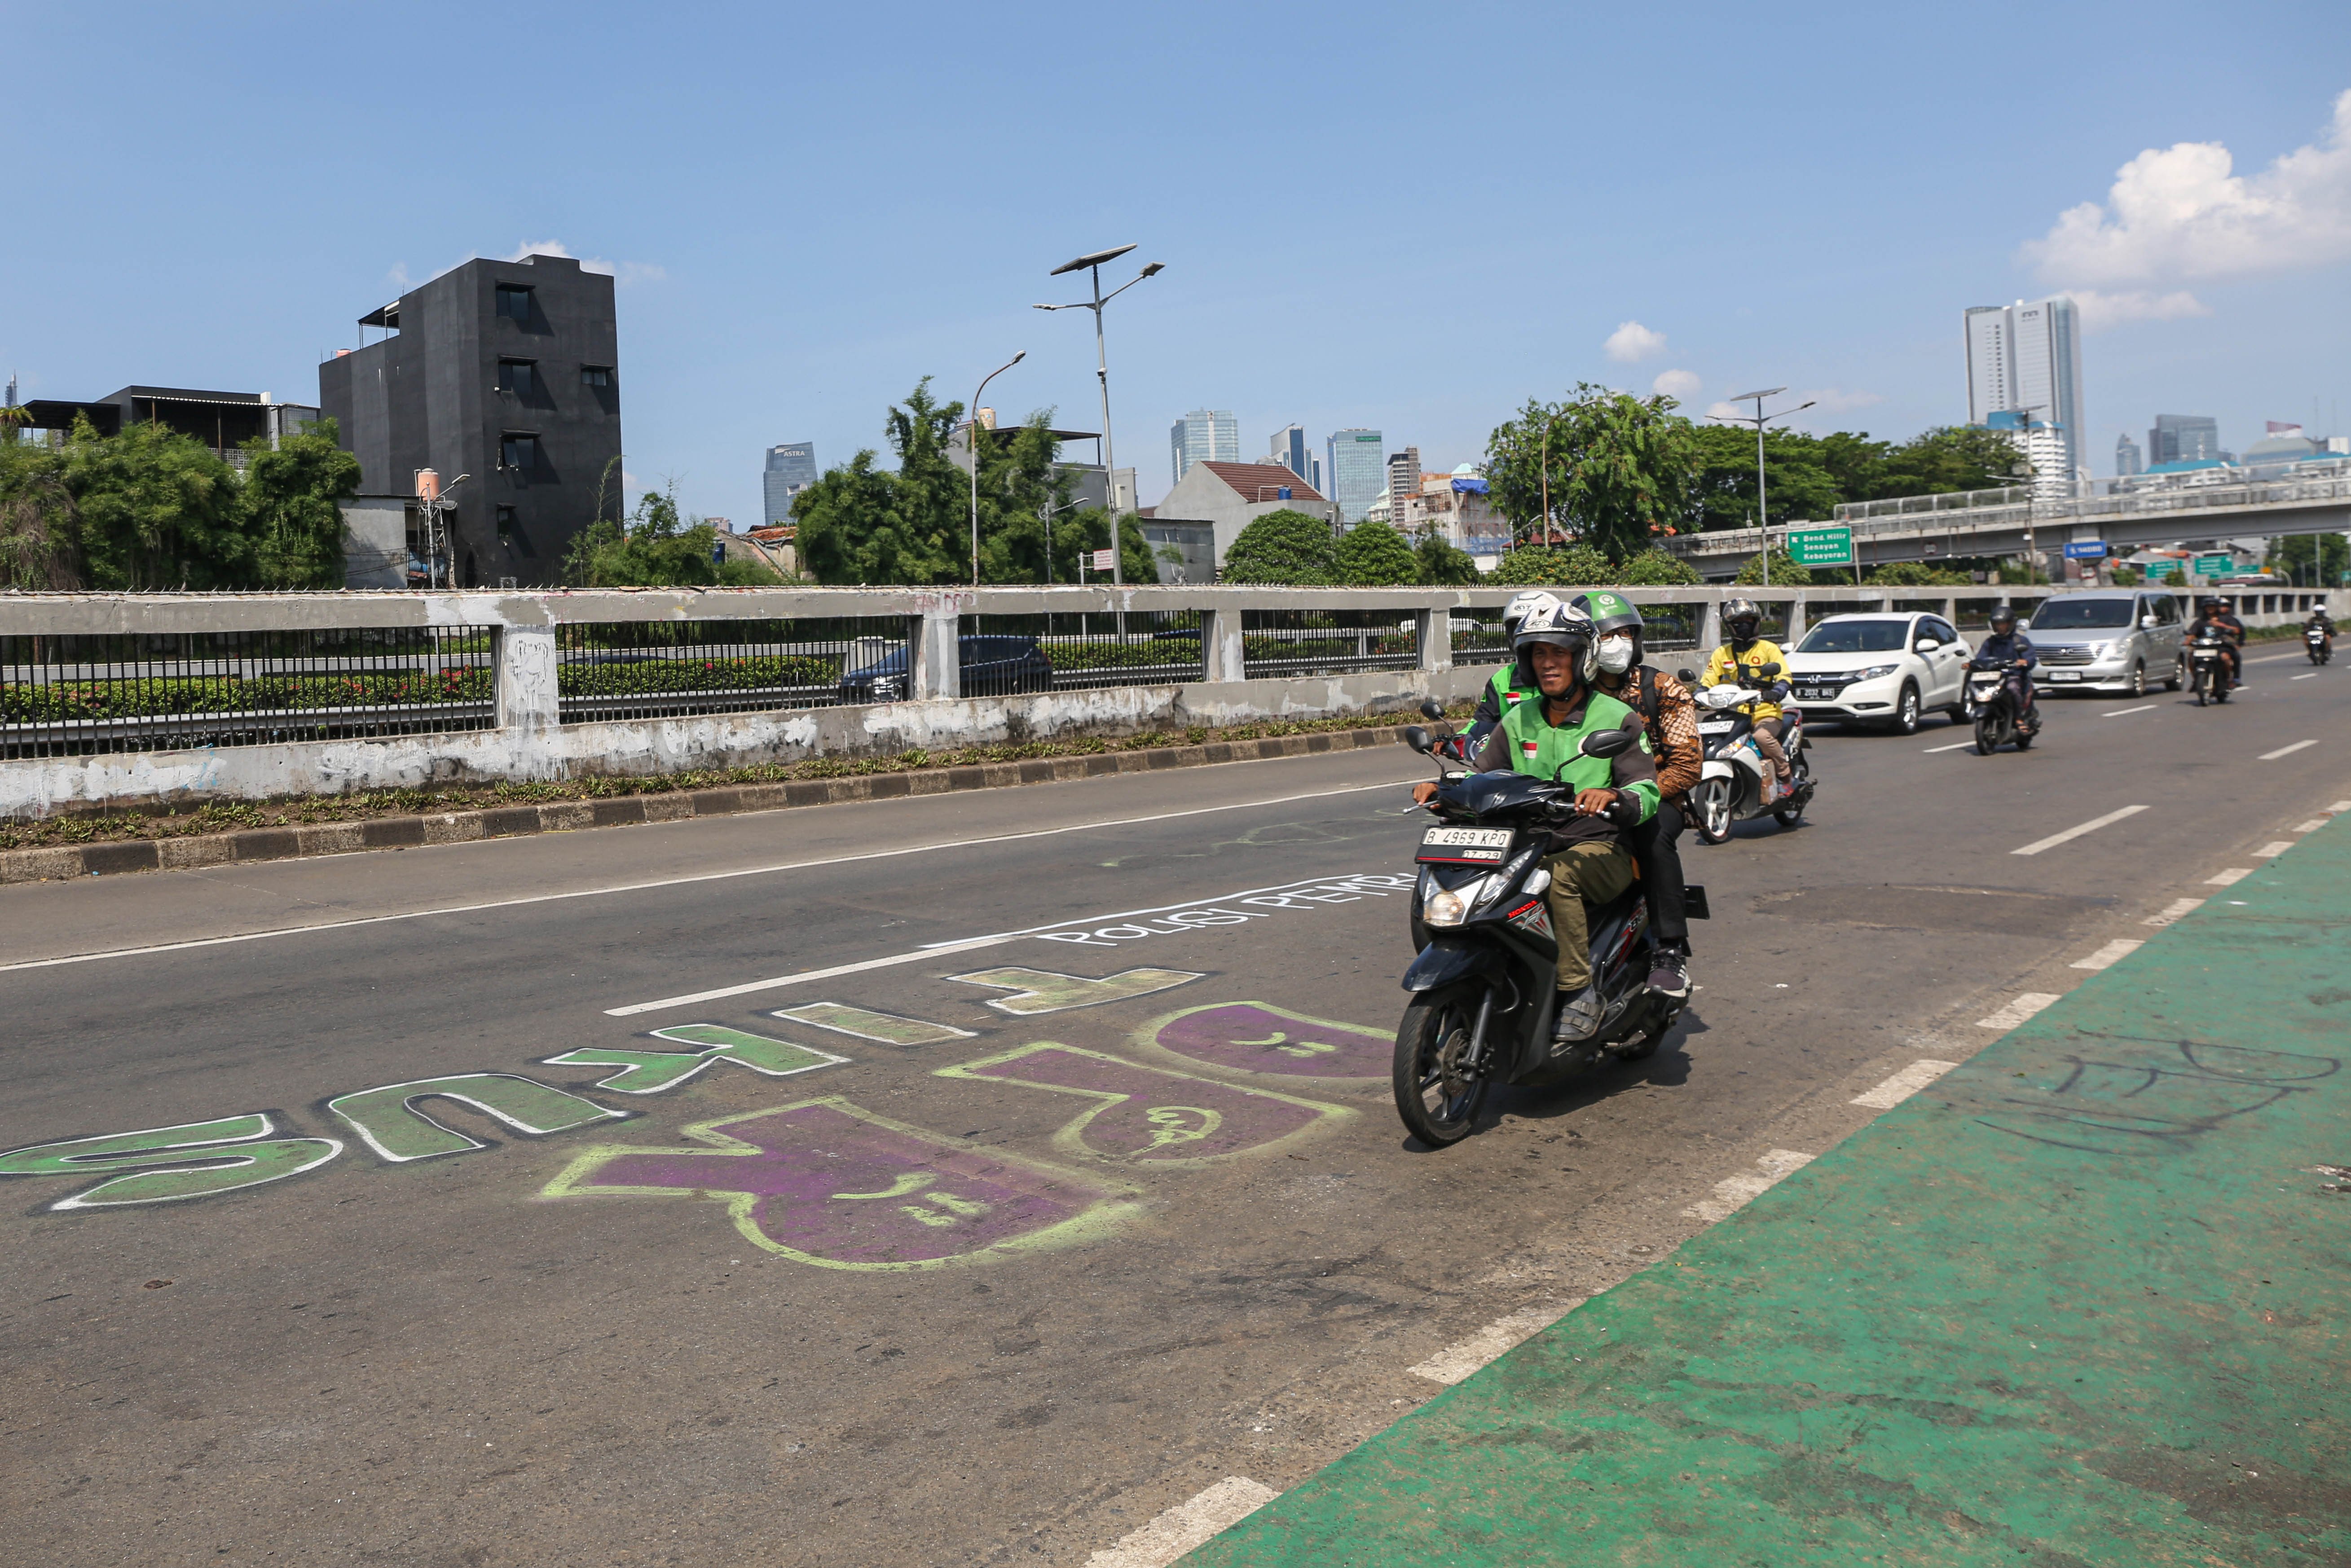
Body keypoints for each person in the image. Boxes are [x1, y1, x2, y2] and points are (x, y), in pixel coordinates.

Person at [1414, 600, 1660, 1042]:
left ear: (1582, 658)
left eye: (1558, 653)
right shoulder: (1518, 718)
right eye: (1538, 654)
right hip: (1526, 841)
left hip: (1597, 846)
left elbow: (1646, 790)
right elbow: (1481, 774)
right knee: (1455, 873)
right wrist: (1443, 789)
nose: (1547, 664)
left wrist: (1613, 797)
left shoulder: (1614, 718)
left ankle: (1578, 990)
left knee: (1554, 879)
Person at [1574, 590, 1700, 1000]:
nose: (1618, 643)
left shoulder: (1663, 688)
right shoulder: (1572, 691)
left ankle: (1669, 949)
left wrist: (1627, 797)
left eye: (1626, 633)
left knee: (1654, 835)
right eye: (1607, 635)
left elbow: (1687, 766)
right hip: (1580, 799)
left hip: (1655, 797)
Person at [1700, 597, 1790, 794]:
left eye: (1748, 621)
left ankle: (1785, 776)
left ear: (1756, 623)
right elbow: (1707, 682)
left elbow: (1784, 677)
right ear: (1730, 626)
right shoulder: (1721, 653)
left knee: (1762, 737)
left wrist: (1776, 692)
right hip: (1731, 715)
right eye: (1738, 622)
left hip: (1765, 713)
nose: (1744, 626)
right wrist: (1696, 695)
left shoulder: (1769, 649)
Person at [1460, 591, 1559, 754]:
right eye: (1517, 630)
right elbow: (1482, 721)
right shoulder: (1502, 680)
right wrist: (1459, 739)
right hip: (1514, 757)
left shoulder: (1566, 676)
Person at [1975, 605, 2040, 729]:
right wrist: (1972, 664)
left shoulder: (2020, 641)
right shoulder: (1990, 642)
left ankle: (2020, 718)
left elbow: (2031, 657)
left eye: (2003, 624)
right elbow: (1981, 657)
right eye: (1997, 624)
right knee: (1978, 688)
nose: (2000, 627)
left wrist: (2025, 661)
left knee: (2012, 688)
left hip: (2013, 676)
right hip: (1995, 677)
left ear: (2010, 624)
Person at [2186, 596, 2246, 688]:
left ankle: (2229, 679)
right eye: (2208, 607)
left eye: (2213, 606)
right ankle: (2196, 680)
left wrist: (2221, 625)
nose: (2210, 608)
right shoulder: (2200, 621)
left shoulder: (2226, 619)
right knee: (2191, 658)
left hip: (2222, 646)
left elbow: (2237, 630)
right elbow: (2192, 633)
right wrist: (2188, 641)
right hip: (2204, 647)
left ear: (2217, 607)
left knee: (2225, 658)